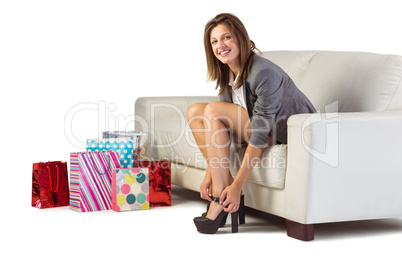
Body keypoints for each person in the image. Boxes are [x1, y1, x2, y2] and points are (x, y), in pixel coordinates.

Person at [187, 13, 316, 234]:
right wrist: (209, 173)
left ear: (240, 37)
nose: (221, 45)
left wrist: (237, 186)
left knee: (213, 109)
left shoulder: (263, 72)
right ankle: (221, 184)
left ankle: (220, 198)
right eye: (214, 41)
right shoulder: (227, 73)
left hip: (283, 131)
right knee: (195, 111)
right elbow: (218, 131)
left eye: (226, 37)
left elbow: (258, 130)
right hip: (258, 127)